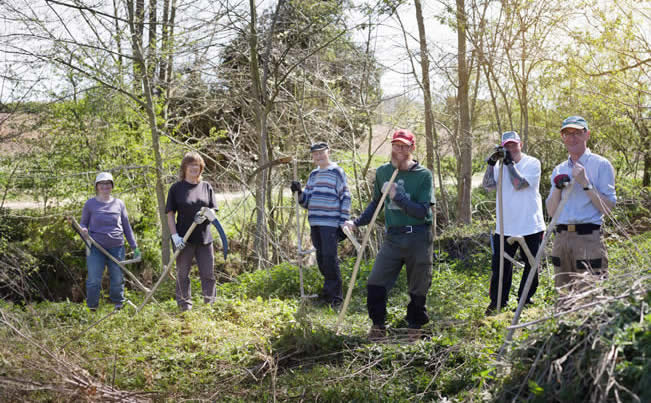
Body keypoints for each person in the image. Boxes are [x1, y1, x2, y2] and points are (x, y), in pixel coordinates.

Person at [343, 129, 433, 342]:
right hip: (393, 237)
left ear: (412, 148)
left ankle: (414, 328)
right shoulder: (383, 172)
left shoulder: (423, 175)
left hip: (418, 236)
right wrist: (356, 222)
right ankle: (378, 326)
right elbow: (376, 204)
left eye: (404, 146)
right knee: (375, 282)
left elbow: (422, 212)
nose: (399, 150)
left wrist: (397, 196)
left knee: (418, 286)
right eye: (396, 145)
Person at [546, 116, 616, 290]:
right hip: (561, 239)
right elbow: (551, 212)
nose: (572, 137)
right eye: (567, 133)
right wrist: (556, 188)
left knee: (590, 299)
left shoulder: (601, 165)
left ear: (587, 135)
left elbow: (607, 208)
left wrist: (585, 183)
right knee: (563, 298)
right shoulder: (559, 169)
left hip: (588, 239)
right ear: (563, 138)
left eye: (578, 132)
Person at [481, 131, 545, 315]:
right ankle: (497, 303)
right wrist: (491, 163)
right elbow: (488, 186)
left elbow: (519, 184)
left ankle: (525, 300)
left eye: (513, 145)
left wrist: (508, 163)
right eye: (506, 146)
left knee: (531, 264)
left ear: (520, 144)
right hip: (505, 225)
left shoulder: (532, 163)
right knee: (500, 266)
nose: (510, 148)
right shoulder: (499, 165)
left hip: (530, 224)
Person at [291, 142, 352, 307]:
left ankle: (336, 298)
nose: (318, 156)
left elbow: (345, 196)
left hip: (330, 223)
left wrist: (343, 221)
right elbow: (306, 202)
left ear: (328, 152)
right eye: (315, 154)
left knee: (330, 258)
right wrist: (298, 192)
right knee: (321, 258)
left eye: (321, 153)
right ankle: (327, 292)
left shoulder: (336, 172)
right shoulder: (313, 175)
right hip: (315, 222)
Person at [166, 151, 218, 311]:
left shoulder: (206, 187)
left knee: (208, 274)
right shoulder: (176, 188)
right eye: (191, 165)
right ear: (185, 168)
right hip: (184, 240)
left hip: (204, 239)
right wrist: (175, 237)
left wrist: (208, 215)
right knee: (182, 275)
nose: (194, 168)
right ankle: (184, 305)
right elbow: (170, 214)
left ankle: (209, 304)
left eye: (197, 165)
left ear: (201, 168)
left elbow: (213, 210)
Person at [80, 172, 140, 311]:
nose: (105, 186)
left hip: (116, 247)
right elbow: (83, 223)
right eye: (102, 184)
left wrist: (134, 247)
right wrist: (84, 230)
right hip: (95, 247)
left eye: (108, 184)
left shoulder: (119, 204)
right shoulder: (90, 204)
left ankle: (118, 305)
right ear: (97, 186)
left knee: (118, 278)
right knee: (94, 279)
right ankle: (92, 307)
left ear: (112, 186)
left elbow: (126, 226)